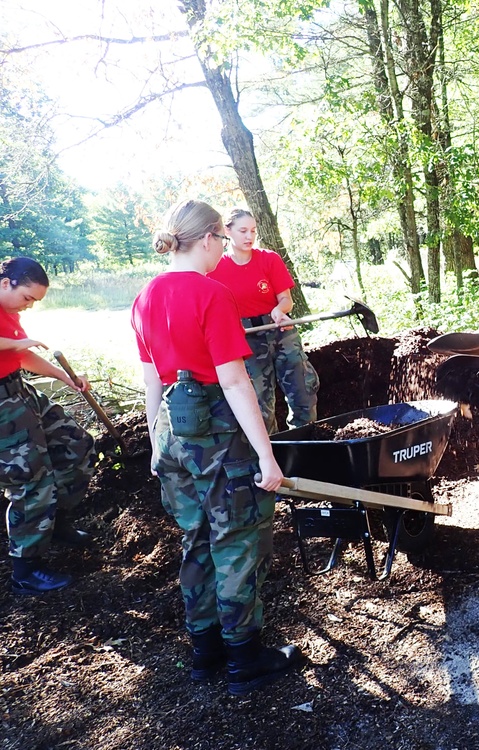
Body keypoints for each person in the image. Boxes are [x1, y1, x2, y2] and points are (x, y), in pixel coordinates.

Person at [132, 199, 303, 695]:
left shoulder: (144, 296)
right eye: (222, 242)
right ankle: (244, 657)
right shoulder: (211, 294)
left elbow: (150, 384)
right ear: (209, 237)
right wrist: (266, 455)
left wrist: (153, 444)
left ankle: (205, 652)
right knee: (235, 541)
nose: (223, 251)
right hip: (219, 437)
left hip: (171, 433)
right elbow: (234, 382)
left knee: (195, 537)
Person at [0, 257, 96, 595]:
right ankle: (26, 569)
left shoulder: (9, 314)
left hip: (18, 391)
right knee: (28, 476)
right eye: (27, 298)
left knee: (76, 445)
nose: (28, 308)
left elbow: (22, 357)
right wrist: (16, 344)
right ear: (6, 283)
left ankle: (55, 523)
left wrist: (66, 377)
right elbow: (16, 348)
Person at [207, 208, 319, 434]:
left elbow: (286, 299)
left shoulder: (269, 259)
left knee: (303, 391)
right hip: (244, 337)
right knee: (258, 401)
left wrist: (280, 310)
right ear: (227, 231)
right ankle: (272, 454)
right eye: (243, 231)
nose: (249, 236)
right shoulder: (215, 268)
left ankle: (306, 439)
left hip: (278, 329)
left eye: (253, 231)